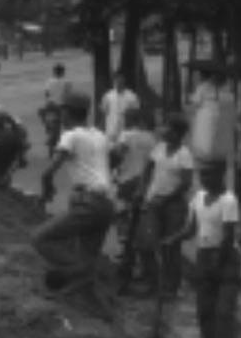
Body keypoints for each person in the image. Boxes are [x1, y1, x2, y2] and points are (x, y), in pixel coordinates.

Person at [33, 91, 116, 304]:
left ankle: (82, 271)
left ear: (68, 113)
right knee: (86, 251)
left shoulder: (70, 136)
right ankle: (90, 301)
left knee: (40, 238)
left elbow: (49, 170)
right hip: (106, 203)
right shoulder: (99, 135)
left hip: (87, 203)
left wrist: (45, 192)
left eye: (62, 112)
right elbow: (112, 160)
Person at [163, 160, 241, 338]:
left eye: (210, 176)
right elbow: (191, 229)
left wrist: (218, 262)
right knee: (205, 311)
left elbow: (228, 236)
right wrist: (173, 239)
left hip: (226, 260)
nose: (205, 180)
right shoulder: (198, 198)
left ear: (221, 175)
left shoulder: (228, 201)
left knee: (224, 313)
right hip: (204, 257)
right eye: (203, 176)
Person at [140, 112, 194, 299]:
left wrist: (167, 198)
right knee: (147, 243)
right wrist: (143, 190)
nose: (163, 130)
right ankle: (153, 283)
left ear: (177, 132)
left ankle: (171, 288)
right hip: (154, 201)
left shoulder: (184, 154)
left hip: (174, 205)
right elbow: (148, 168)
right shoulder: (159, 148)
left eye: (167, 127)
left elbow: (186, 183)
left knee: (171, 247)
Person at [113, 107, 158, 294]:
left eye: (125, 117)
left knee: (124, 223)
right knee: (140, 225)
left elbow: (117, 156)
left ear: (130, 119)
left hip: (126, 183)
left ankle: (127, 263)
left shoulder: (125, 136)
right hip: (144, 184)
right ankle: (140, 266)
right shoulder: (151, 138)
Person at [187, 60, 236, 171]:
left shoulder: (207, 88)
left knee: (212, 152)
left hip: (215, 131)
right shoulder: (209, 88)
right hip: (213, 133)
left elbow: (194, 106)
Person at [100, 71, 140, 145]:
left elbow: (136, 114)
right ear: (114, 81)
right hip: (111, 132)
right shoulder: (108, 96)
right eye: (117, 81)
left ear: (124, 81)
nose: (119, 83)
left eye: (121, 81)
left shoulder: (131, 96)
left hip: (126, 132)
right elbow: (104, 114)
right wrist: (102, 131)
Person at [40, 63, 71, 156]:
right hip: (62, 106)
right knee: (66, 127)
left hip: (50, 106)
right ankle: (65, 146)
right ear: (63, 72)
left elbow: (46, 93)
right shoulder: (67, 82)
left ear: (54, 72)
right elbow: (68, 95)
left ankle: (50, 138)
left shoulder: (49, 81)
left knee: (51, 125)